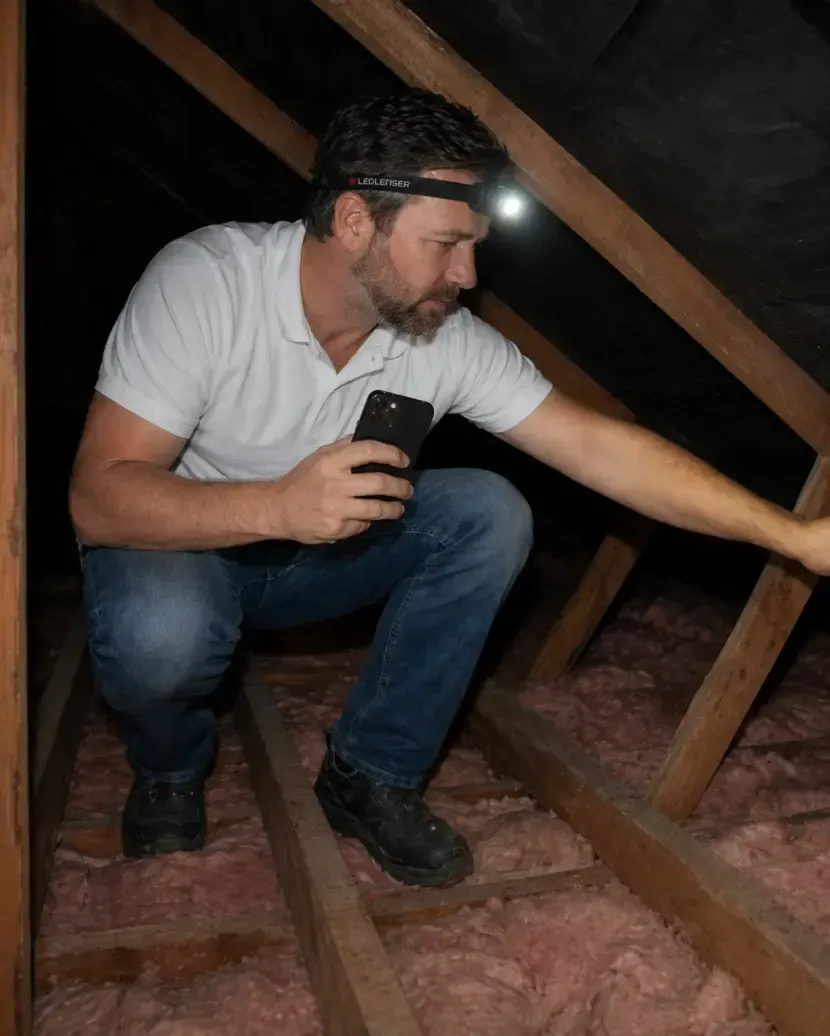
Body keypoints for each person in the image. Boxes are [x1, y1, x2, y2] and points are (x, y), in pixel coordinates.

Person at [69, 87, 830, 886]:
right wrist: (275, 504)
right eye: (447, 243)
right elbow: (99, 496)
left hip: (314, 563)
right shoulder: (207, 284)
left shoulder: (442, 338)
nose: (467, 274)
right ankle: (170, 766)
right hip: (185, 554)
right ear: (358, 220)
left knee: (488, 513)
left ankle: (370, 773)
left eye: (476, 246)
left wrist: (790, 535)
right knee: (162, 634)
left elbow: (598, 447)